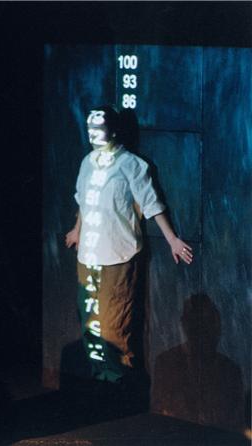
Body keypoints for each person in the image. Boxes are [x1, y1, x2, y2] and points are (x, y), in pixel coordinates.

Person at [64, 106, 193, 385]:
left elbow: (151, 203)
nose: (93, 134)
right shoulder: (87, 162)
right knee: (89, 320)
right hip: (88, 254)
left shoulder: (131, 164)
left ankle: (118, 382)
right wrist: (77, 229)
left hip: (117, 255)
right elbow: (85, 200)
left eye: (99, 128)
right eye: (90, 128)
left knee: (113, 326)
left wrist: (172, 239)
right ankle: (99, 377)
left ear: (113, 130)